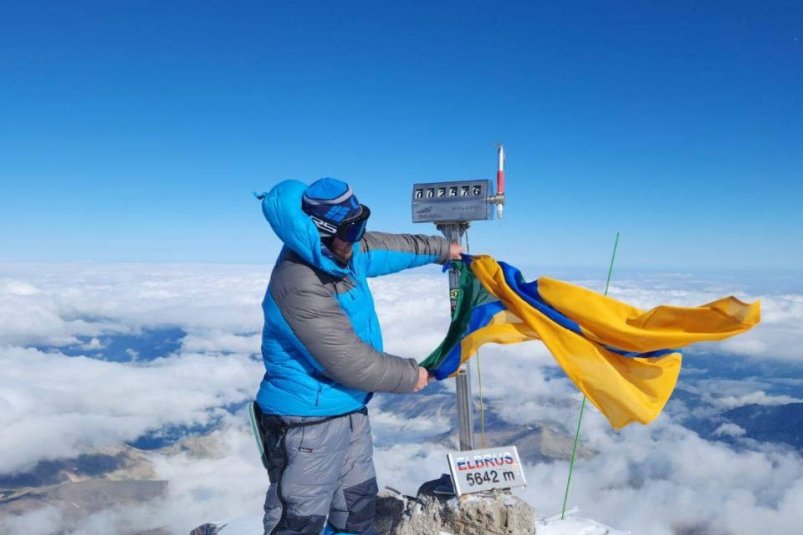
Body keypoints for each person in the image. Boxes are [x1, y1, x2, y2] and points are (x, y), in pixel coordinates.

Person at [254, 178, 462, 535]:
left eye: (361, 223)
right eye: (351, 230)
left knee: (356, 506)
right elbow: (349, 361)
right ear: (322, 231)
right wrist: (414, 375)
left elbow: (392, 247)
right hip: (306, 425)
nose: (357, 237)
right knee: (300, 521)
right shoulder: (299, 280)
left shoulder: (342, 252)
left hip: (349, 411)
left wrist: (445, 249)